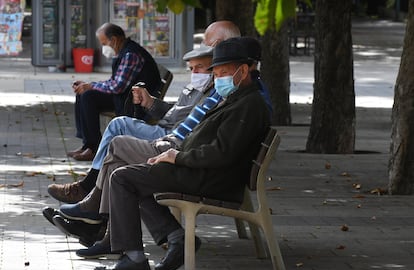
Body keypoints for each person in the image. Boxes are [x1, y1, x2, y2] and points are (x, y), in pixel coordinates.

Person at [44, 36, 273, 256]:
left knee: (125, 174)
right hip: (194, 164)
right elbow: (203, 134)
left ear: (244, 71)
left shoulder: (247, 104)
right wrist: (175, 151)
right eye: (215, 73)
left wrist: (176, 156)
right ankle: (131, 241)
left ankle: (116, 237)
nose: (216, 78)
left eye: (222, 73)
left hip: (204, 175)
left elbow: (221, 152)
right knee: (122, 171)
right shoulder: (236, 97)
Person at [46, 20, 242, 204]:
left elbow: (204, 136)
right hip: (172, 137)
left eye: (201, 66)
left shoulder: (225, 89)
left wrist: (176, 154)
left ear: (219, 44)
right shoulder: (213, 82)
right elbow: (181, 114)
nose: (198, 72)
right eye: (193, 68)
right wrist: (150, 103)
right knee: (116, 159)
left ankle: (89, 191)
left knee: (118, 137)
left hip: (177, 146)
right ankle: (96, 217)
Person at [69, 22, 162, 162]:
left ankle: (93, 148)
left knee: (88, 95)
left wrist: (91, 86)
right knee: (84, 93)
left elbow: (117, 86)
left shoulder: (131, 54)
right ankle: (88, 144)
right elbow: (116, 82)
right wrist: (89, 85)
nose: (104, 47)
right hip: (125, 96)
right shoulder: (124, 51)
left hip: (133, 102)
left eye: (104, 43)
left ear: (114, 40)